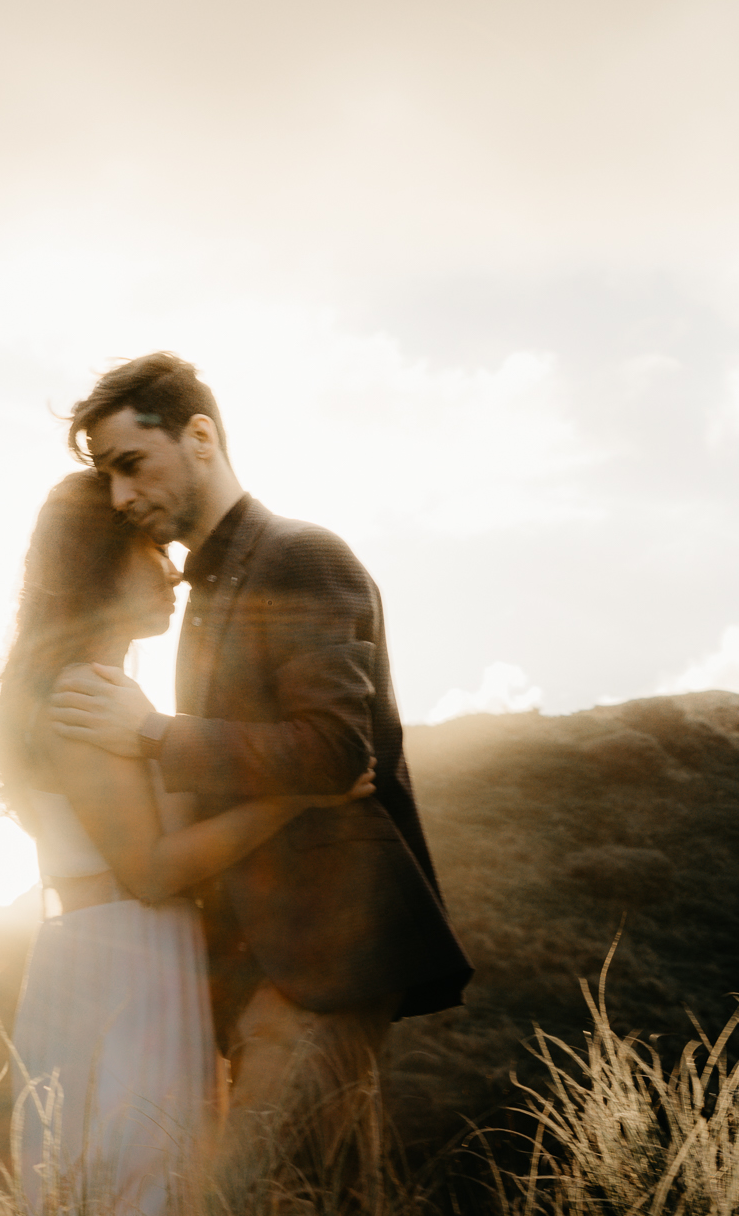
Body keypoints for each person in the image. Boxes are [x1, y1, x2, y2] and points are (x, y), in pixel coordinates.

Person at [48, 353, 473, 1207]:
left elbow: (334, 751)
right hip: (260, 971)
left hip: (322, 955)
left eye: (133, 463)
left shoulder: (300, 555)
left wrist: (152, 734)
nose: (123, 496)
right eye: (108, 476)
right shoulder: (208, 593)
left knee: (244, 1199)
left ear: (199, 436)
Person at [0, 470, 376, 1216]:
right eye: (151, 547)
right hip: (122, 957)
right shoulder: (80, 693)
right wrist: (297, 794)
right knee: (138, 1183)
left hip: (129, 951)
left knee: (149, 1179)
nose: (173, 567)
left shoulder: (104, 693)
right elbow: (153, 870)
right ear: (103, 562)